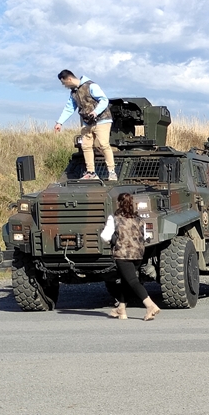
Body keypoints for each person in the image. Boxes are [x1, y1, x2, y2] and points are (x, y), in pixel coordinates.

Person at [100, 192, 161, 320]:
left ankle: (150, 305)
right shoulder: (139, 219)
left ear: (118, 203)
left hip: (123, 255)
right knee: (126, 281)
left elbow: (105, 236)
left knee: (133, 281)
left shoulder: (115, 218)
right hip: (138, 254)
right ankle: (121, 309)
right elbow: (146, 236)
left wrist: (112, 241)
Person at [54, 70, 116, 181]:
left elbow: (104, 100)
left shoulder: (91, 86)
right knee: (86, 146)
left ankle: (111, 172)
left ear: (69, 79)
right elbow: (69, 108)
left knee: (103, 144)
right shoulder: (73, 92)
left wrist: (96, 112)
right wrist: (60, 122)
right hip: (87, 123)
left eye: (64, 83)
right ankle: (91, 172)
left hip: (102, 120)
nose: (64, 86)